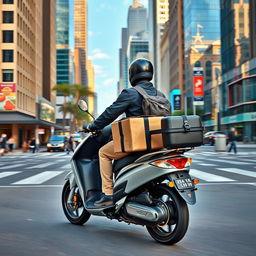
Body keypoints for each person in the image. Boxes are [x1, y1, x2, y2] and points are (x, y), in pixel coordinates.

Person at [83, 58, 166, 207]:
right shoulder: (160, 95)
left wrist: (93, 126)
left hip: (136, 143)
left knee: (103, 153)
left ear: (133, 74)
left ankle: (107, 194)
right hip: (158, 143)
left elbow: (110, 113)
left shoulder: (130, 93)